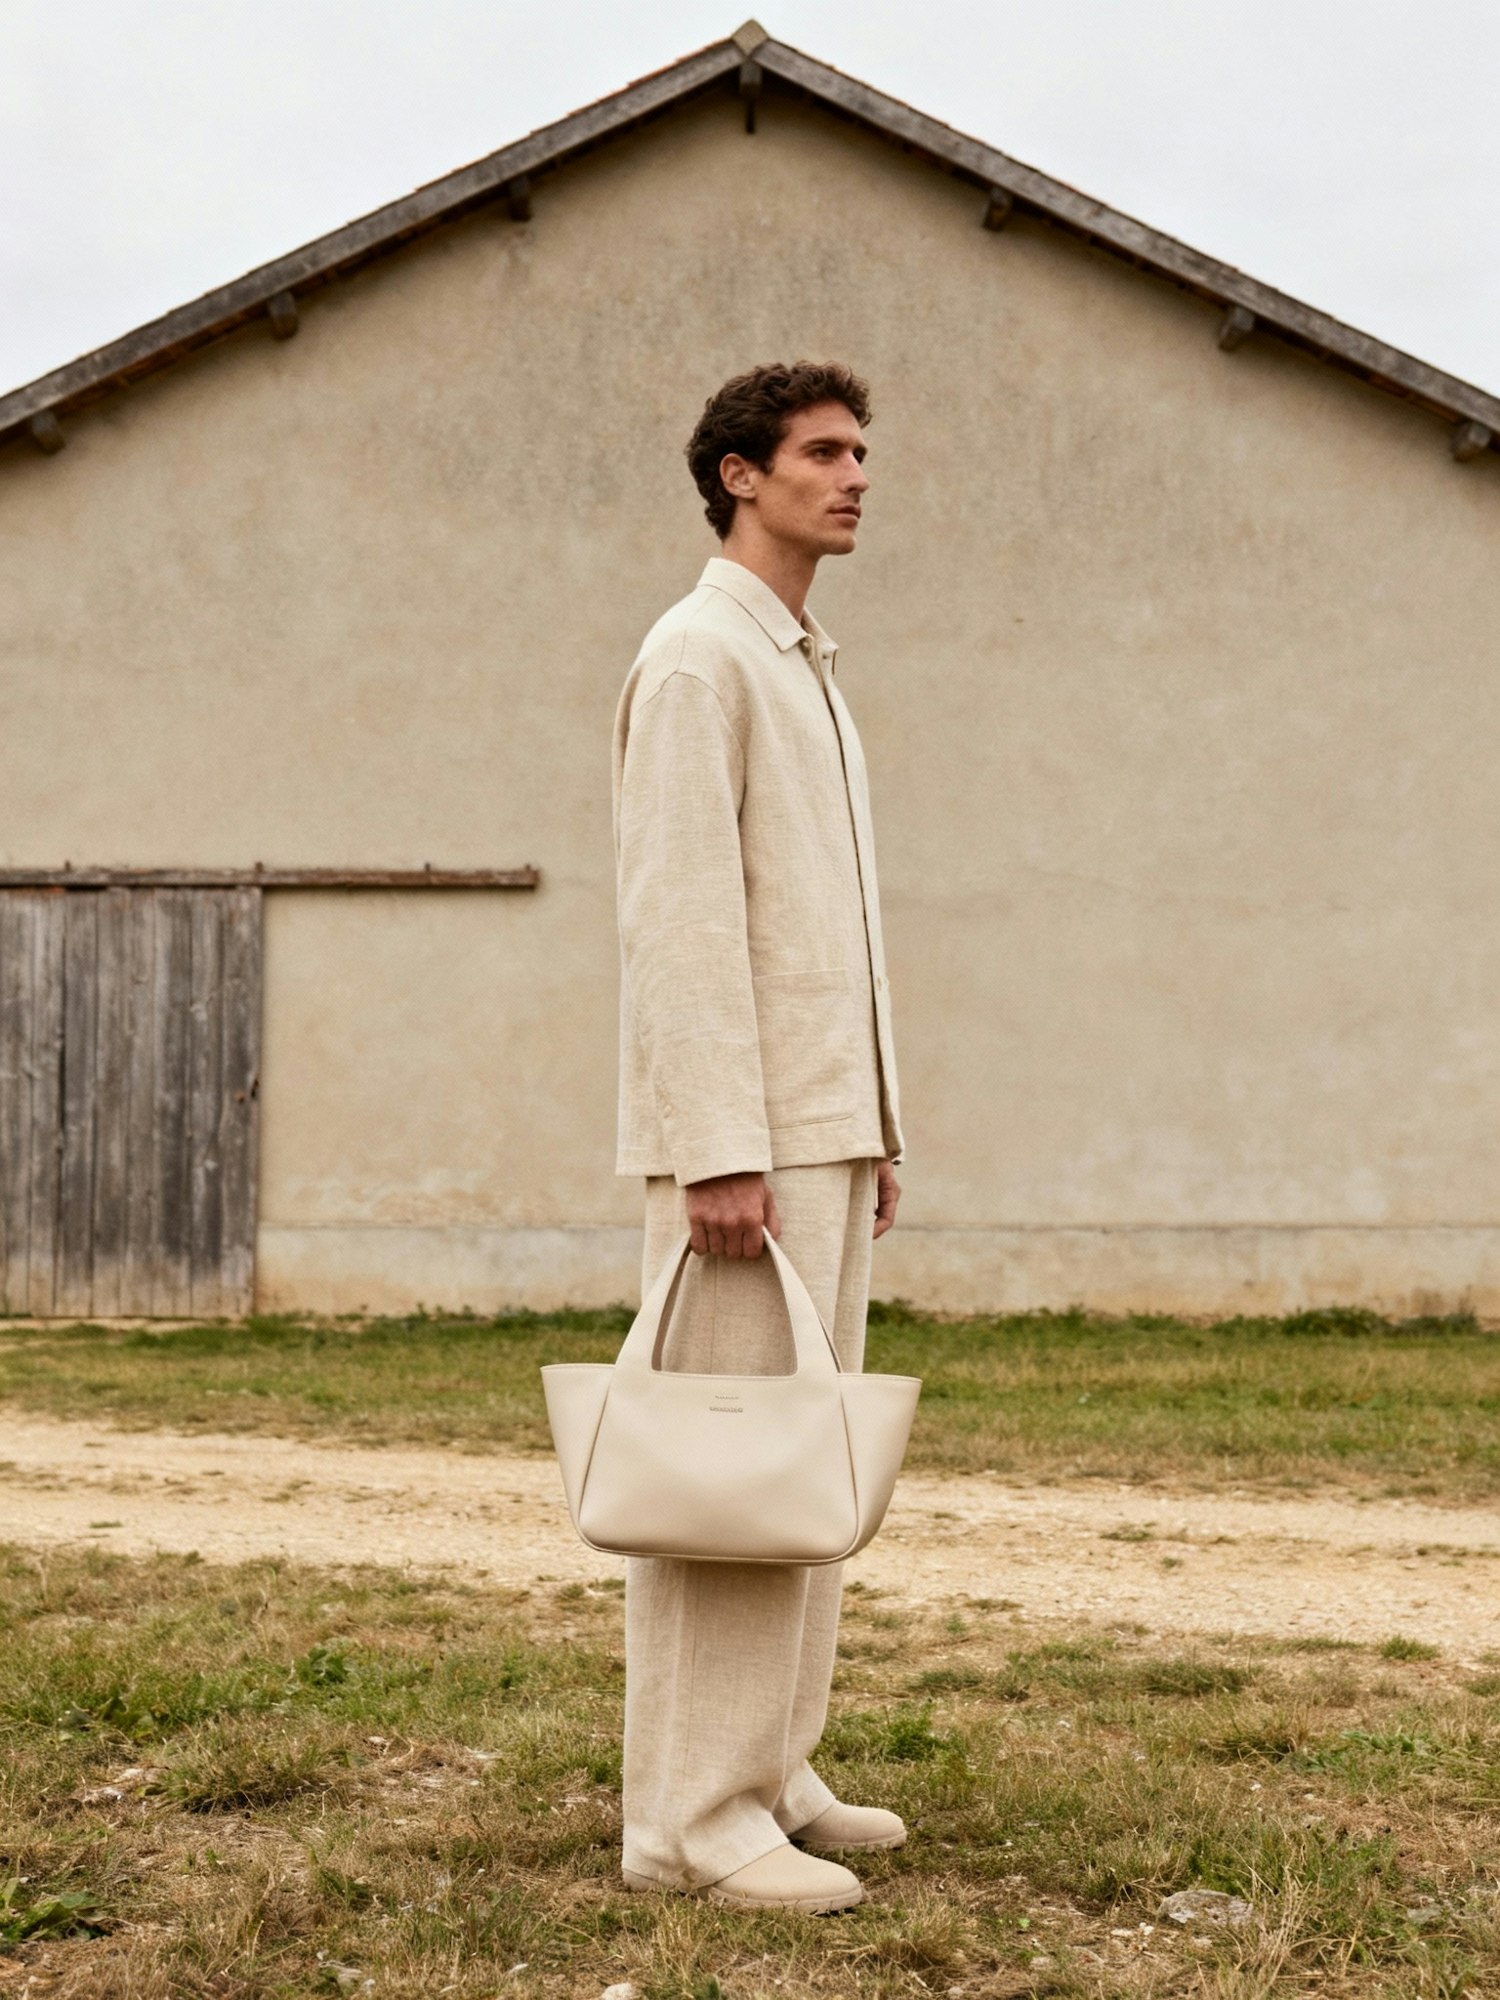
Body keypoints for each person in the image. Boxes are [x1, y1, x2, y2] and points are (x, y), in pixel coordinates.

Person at [611, 360, 906, 1914]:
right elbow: (678, 924)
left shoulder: (804, 666)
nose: (856, 476)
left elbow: (819, 928)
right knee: (722, 1481)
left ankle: (772, 1770)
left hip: (820, 1135)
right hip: (746, 1149)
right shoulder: (697, 659)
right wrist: (718, 1145)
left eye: (862, 452)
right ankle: (690, 1823)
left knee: (800, 1471)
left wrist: (872, 1124)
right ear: (740, 474)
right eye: (823, 452)